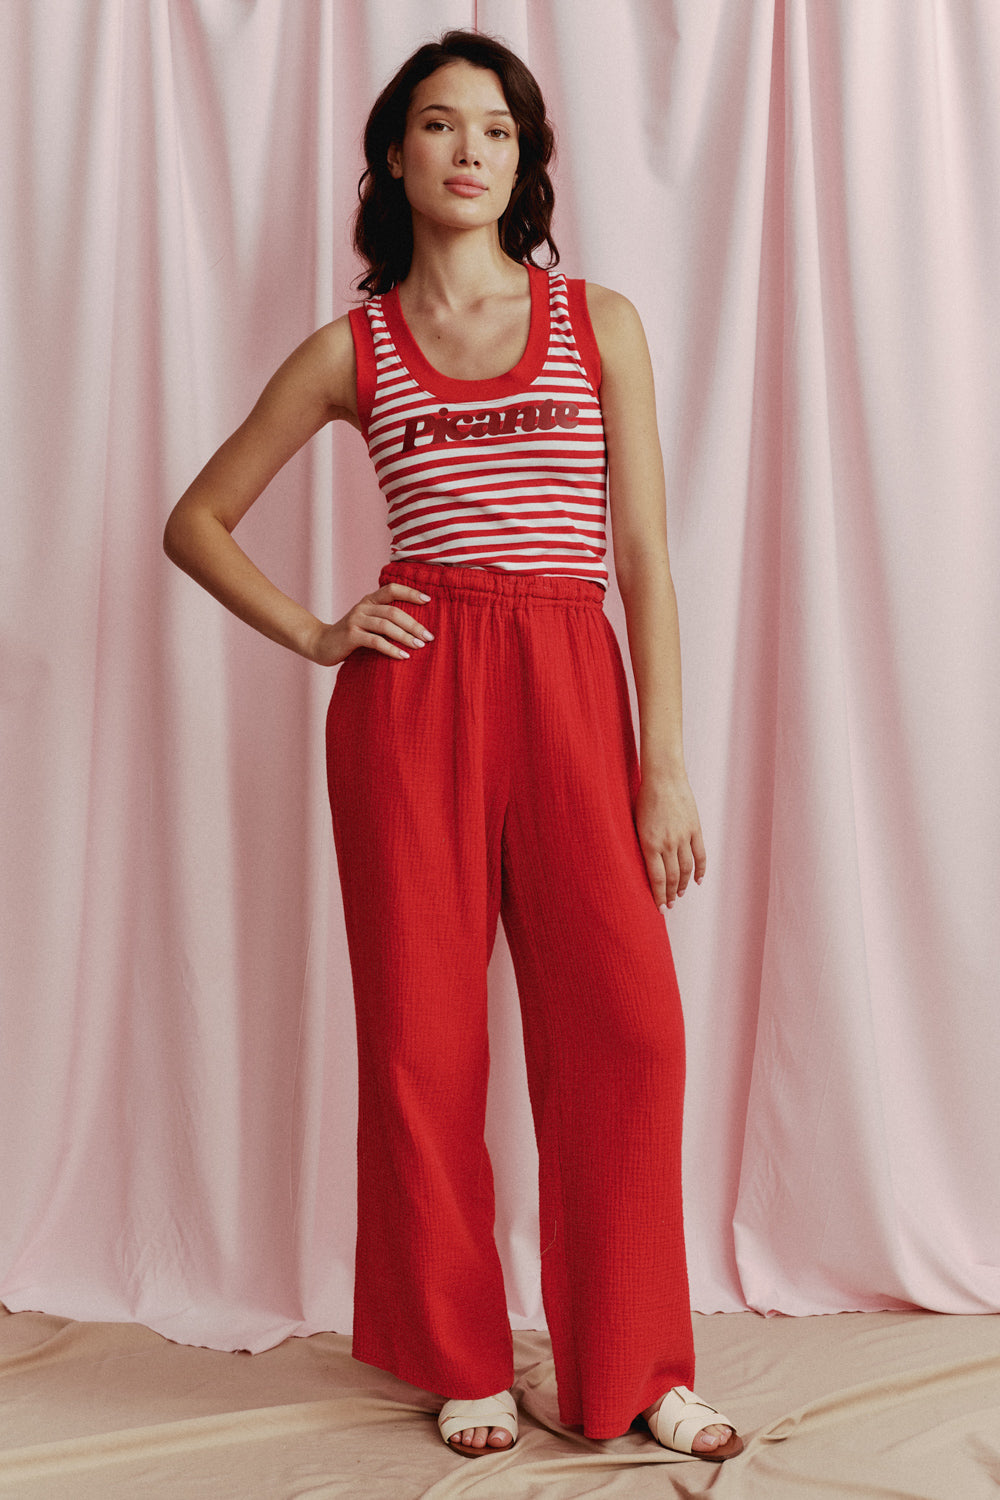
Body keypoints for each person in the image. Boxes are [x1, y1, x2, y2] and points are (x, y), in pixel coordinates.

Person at [164, 27, 742, 1465]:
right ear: (394, 155)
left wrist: (664, 764)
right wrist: (318, 633)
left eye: (498, 127)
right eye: (439, 123)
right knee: (423, 1046)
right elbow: (196, 520)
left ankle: (635, 1365)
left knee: (631, 1032)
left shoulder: (598, 322)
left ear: (525, 159)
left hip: (570, 685)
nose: (470, 148)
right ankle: (462, 1357)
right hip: (414, 703)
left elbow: (644, 565)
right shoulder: (351, 348)